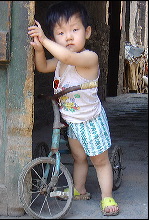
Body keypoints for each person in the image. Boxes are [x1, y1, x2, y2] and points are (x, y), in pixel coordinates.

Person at [28, 1, 119, 216]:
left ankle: (107, 197)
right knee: (78, 158)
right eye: (60, 33)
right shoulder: (60, 63)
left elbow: (68, 56)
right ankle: (79, 189)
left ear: (87, 32)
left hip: (91, 121)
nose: (68, 37)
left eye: (74, 30)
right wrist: (40, 49)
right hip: (73, 122)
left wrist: (45, 38)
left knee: (100, 160)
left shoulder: (89, 58)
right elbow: (41, 66)